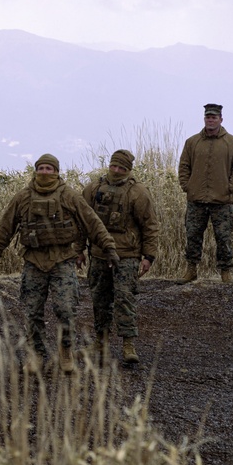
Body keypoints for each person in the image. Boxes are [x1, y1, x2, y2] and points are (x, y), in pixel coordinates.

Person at [0, 154, 119, 373]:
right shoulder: (23, 197)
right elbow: (5, 226)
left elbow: (92, 222)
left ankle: (66, 353)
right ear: (36, 171)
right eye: (41, 168)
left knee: (66, 310)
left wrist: (109, 247)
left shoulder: (69, 196)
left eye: (49, 168)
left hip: (63, 260)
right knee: (32, 311)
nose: (45, 172)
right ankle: (36, 355)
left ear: (57, 171)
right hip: (34, 261)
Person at [78, 149, 160, 365]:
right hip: (98, 254)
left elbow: (150, 226)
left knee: (125, 299)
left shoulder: (138, 193)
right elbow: (82, 222)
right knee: (99, 299)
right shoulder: (93, 189)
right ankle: (100, 341)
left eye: (121, 168)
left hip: (127, 256)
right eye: (114, 166)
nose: (116, 171)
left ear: (128, 170)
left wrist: (148, 257)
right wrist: (78, 249)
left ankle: (128, 345)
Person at [177, 103, 233, 284]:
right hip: (196, 199)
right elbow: (184, 166)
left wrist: (230, 187)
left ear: (221, 120)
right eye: (208, 117)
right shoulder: (192, 142)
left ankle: (226, 273)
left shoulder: (232, 143)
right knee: (192, 236)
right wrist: (187, 186)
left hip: (222, 200)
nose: (210, 120)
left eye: (214, 117)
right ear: (204, 119)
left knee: (224, 238)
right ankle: (191, 270)